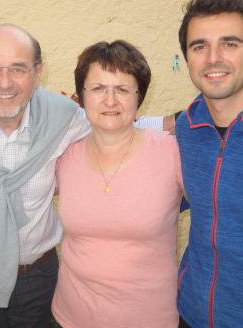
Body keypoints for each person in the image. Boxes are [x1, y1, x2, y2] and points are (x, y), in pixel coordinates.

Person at [0, 24, 170, 327]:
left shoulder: (63, 117)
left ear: (38, 72)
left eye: (18, 69)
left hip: (38, 278)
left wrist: (180, 122)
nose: (4, 82)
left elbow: (112, 119)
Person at [52, 40, 183, 328]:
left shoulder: (172, 153)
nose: (110, 101)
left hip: (150, 319)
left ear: (139, 97)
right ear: (81, 96)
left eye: (123, 89)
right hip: (71, 316)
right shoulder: (64, 156)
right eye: (98, 88)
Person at [176, 0, 243, 327]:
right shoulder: (187, 128)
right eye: (199, 46)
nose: (214, 58)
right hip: (192, 313)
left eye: (230, 43)